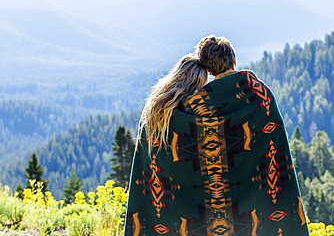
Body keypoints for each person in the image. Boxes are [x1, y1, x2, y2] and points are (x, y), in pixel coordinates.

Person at [124, 35, 309, 236]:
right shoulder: (259, 96)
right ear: (233, 59)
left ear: (208, 70)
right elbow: (274, 148)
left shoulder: (181, 110)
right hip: (250, 217)